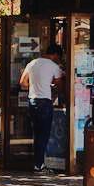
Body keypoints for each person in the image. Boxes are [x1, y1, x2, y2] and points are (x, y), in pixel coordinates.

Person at [20, 43, 64, 172]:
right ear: (55, 55)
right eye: (58, 57)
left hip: (32, 101)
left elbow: (22, 82)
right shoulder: (54, 66)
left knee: (36, 133)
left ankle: (38, 162)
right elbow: (60, 86)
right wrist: (49, 88)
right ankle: (39, 164)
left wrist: (34, 87)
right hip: (45, 102)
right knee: (44, 134)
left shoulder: (32, 63)